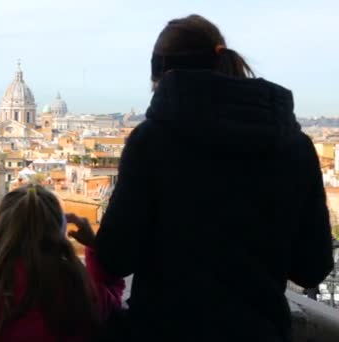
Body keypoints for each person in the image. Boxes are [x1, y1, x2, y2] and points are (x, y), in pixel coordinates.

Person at [95, 14, 334, 342]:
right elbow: (312, 266)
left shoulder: (151, 141)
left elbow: (115, 257)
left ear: (163, 73)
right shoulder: (294, 145)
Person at [0, 184, 125, 341]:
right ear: (60, 230)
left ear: (0, 231)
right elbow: (113, 293)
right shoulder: (78, 289)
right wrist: (93, 245)